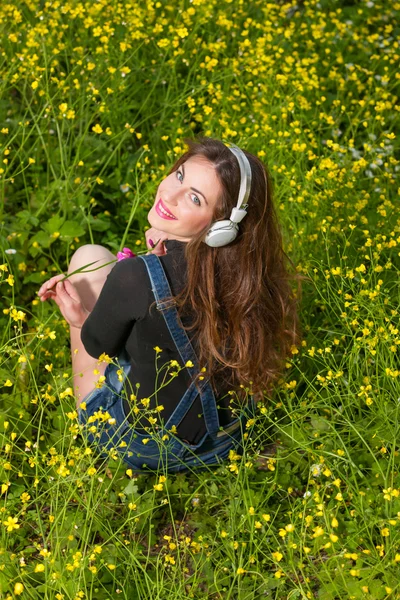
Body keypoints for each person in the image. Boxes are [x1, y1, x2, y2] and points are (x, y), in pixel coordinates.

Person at [37, 136, 304, 474]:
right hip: (226, 441)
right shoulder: (250, 277)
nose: (170, 196)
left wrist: (78, 321)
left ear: (220, 225)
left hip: (143, 445)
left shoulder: (134, 277)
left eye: (194, 198)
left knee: (90, 256)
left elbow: (97, 346)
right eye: (179, 176)